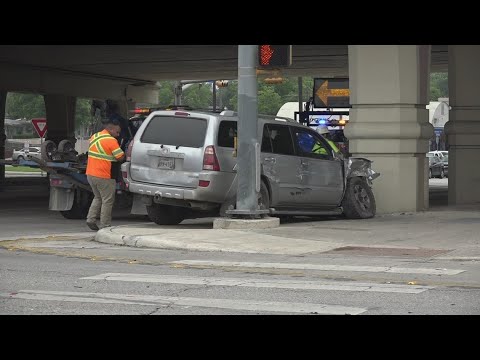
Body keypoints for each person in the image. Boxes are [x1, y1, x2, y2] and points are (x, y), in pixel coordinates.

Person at [85, 119, 125, 231]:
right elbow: (120, 157)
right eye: (117, 132)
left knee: (98, 197)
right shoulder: (111, 141)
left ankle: (90, 219)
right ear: (111, 129)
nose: (118, 135)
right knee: (107, 200)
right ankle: (105, 226)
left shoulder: (95, 136)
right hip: (104, 175)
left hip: (90, 174)